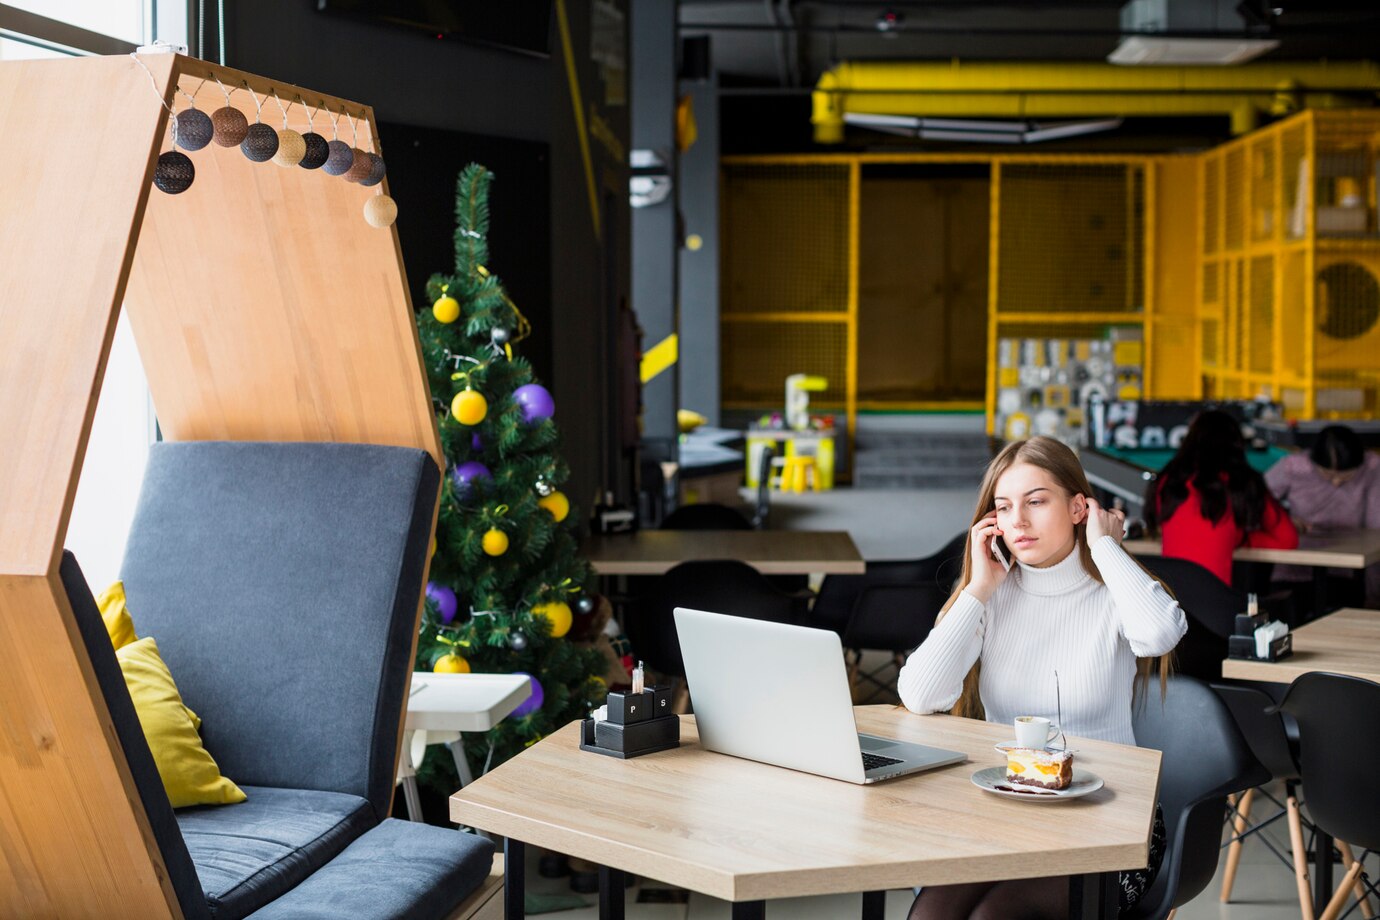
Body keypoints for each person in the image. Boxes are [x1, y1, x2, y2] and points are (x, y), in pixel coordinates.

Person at [900, 436, 1185, 920]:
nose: (1019, 522)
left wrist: (1106, 547)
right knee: (931, 916)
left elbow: (1160, 634)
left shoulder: (1113, 588)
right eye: (1005, 507)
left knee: (994, 918)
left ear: (1079, 507)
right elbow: (921, 695)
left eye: (1036, 502)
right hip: (1006, 815)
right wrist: (977, 590)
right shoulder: (990, 595)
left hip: (1111, 822)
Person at [1144, 410, 1297, 586]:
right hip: (1215, 601)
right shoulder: (1242, 482)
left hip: (1167, 601)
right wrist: (1241, 538)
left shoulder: (1167, 481)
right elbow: (1288, 539)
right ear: (1236, 445)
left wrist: (1234, 536)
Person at [1265, 424, 1380, 607]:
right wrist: (1284, 521)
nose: (1335, 482)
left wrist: (1374, 595)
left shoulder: (1373, 467)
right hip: (1295, 568)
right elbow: (1257, 503)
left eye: (1345, 477)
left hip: (1351, 570)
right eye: (1327, 475)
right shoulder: (1293, 467)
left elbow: (1376, 527)